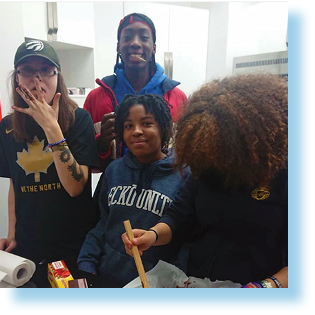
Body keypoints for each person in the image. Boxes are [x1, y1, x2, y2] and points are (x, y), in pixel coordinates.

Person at [122, 73, 288, 288]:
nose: (218, 162)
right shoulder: (206, 168)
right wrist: (152, 235)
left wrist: (265, 286)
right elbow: (179, 217)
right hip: (198, 281)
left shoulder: (285, 178)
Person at [0, 39, 99, 287]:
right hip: (28, 246)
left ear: (57, 75)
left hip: (73, 247)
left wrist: (51, 128)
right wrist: (12, 234)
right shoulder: (7, 127)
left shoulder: (79, 119)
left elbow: (76, 186)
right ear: (17, 78)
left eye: (45, 70)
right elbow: (16, 184)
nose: (37, 79)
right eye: (28, 71)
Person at [77, 94, 189, 287]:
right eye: (128, 126)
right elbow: (102, 224)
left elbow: (187, 236)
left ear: (163, 128)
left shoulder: (183, 174)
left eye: (146, 124)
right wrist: (86, 264)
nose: (136, 131)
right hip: (106, 279)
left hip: (156, 286)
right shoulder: (113, 170)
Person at [83, 12, 187, 170]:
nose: (135, 43)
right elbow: (87, 165)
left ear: (154, 48)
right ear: (118, 47)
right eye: (127, 37)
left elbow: (186, 157)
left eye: (144, 37)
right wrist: (103, 144)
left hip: (165, 192)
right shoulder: (97, 98)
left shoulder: (177, 98)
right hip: (116, 189)